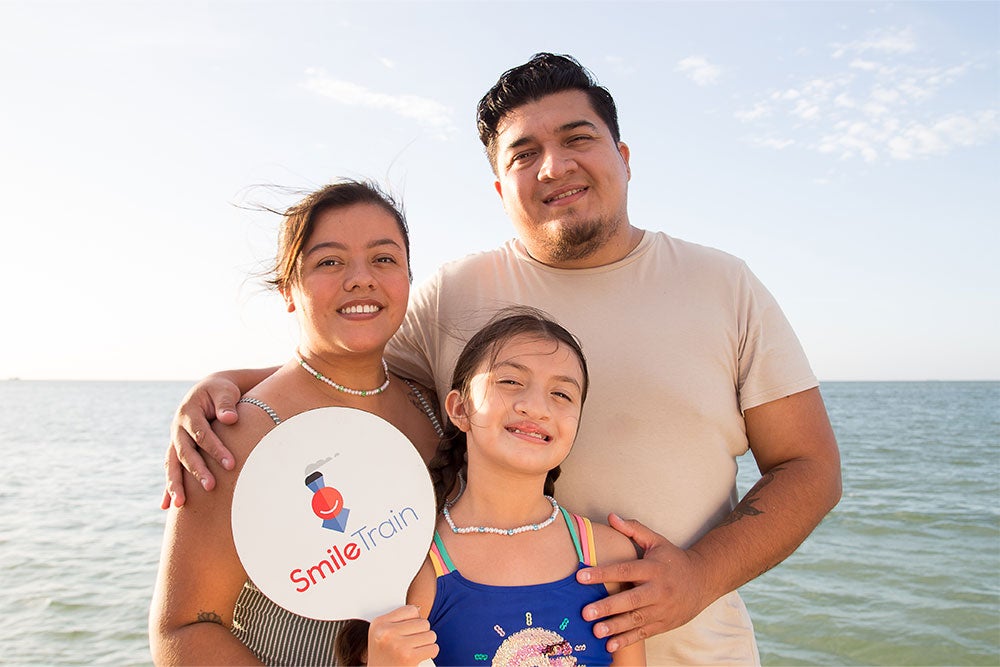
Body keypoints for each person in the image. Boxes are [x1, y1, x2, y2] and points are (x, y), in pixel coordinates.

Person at [165, 53, 842, 665]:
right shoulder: (455, 294)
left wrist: (698, 576)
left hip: (699, 651)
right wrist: (230, 389)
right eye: (524, 154)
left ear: (624, 154)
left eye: (578, 138)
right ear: (497, 187)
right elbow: (347, 367)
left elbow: (810, 465)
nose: (554, 166)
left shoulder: (723, 285)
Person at [148, 180, 445, 665]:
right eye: (329, 261)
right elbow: (182, 630)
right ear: (288, 289)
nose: (361, 278)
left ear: (409, 278)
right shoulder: (240, 435)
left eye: (384, 259)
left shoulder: (432, 404)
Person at [342, 307, 645, 667]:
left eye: (562, 394)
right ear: (460, 409)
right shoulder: (417, 567)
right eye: (510, 382)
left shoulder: (610, 557)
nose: (536, 407)